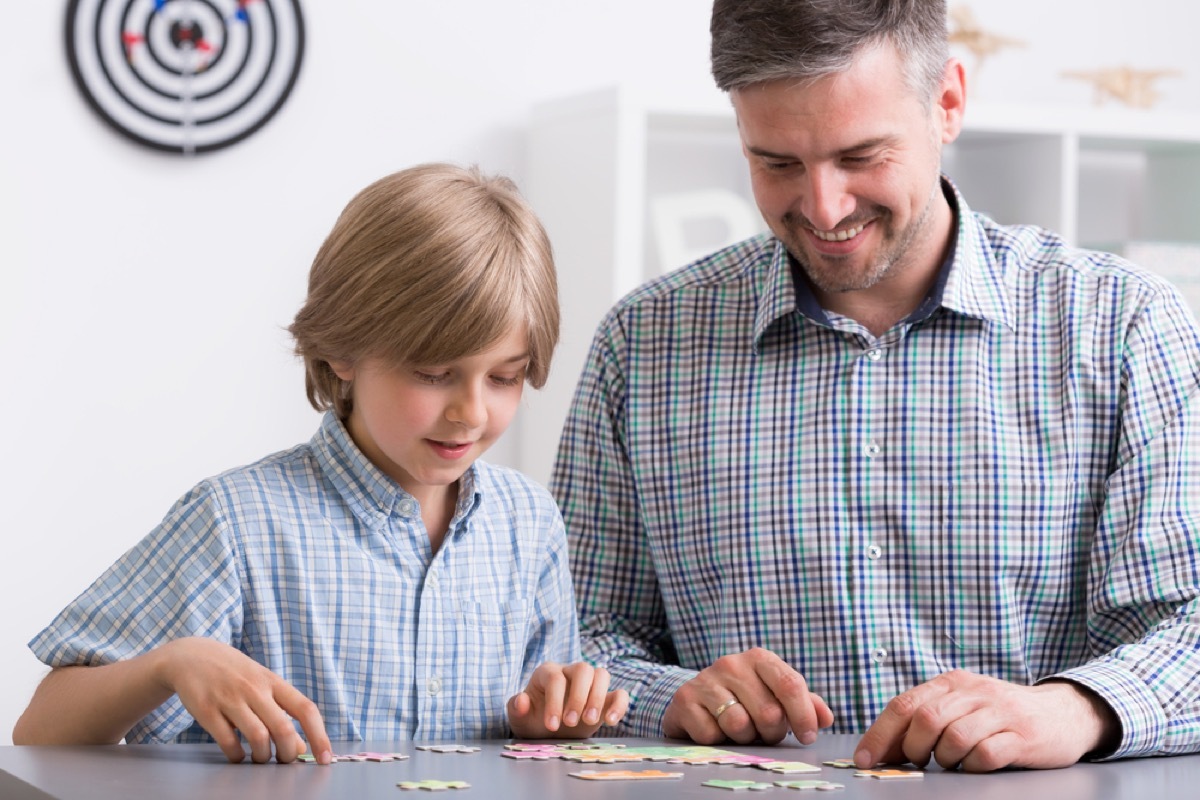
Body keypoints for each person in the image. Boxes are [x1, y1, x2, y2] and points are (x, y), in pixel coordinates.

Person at [552, 0, 1200, 774]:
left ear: (948, 103)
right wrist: (673, 694)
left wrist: (1072, 708)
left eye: (861, 155)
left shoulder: (1123, 324)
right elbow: (573, 636)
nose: (824, 208)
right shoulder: (644, 344)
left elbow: (1189, 627)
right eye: (777, 163)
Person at [14, 163, 628, 764]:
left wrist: (550, 716)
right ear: (341, 351)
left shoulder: (530, 521)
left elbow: (550, 739)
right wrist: (169, 663)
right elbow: (41, 731)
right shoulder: (237, 521)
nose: (471, 411)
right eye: (435, 373)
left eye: (506, 377)